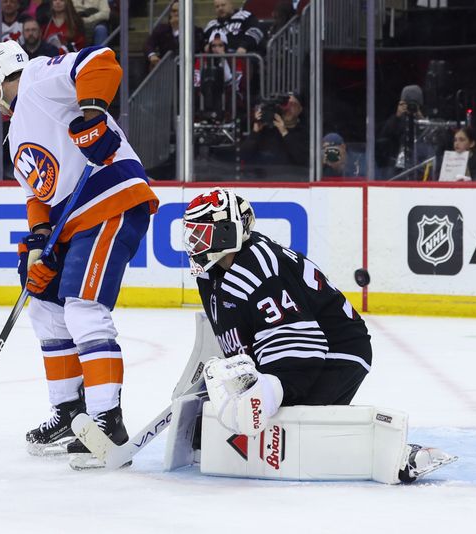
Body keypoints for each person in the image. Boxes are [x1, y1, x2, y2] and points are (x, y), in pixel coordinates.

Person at [181, 188, 453, 483]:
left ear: (226, 233)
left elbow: (301, 344)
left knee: (289, 434)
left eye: (201, 233)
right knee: (227, 425)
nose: (194, 242)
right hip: (298, 351)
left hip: (338, 351)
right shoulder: (213, 271)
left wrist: (271, 391)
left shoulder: (257, 269)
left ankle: (399, 455)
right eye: (192, 233)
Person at [0, 40, 159, 456]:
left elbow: (101, 59)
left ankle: (107, 422)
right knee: (45, 307)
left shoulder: (39, 78)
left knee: (83, 308)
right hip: (71, 224)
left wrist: (92, 116)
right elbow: (37, 196)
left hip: (111, 200)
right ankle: (69, 413)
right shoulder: (16, 133)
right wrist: (38, 247)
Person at [240, 92, 309, 179]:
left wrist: (284, 132)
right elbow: (243, 156)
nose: (288, 108)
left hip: (292, 181)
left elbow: (302, 159)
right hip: (264, 181)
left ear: (300, 109)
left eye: (293, 104)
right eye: (286, 104)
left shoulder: (305, 132)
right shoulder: (267, 130)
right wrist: (255, 132)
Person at [376, 84, 433, 179]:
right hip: (396, 162)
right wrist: (397, 116)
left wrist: (420, 118)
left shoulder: (424, 117)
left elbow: (431, 135)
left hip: (419, 161)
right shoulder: (397, 120)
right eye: (407, 104)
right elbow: (383, 135)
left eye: (414, 105)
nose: (411, 107)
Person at [145, 1, 202, 71]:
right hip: (167, 71)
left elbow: (196, 48)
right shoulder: (161, 29)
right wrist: (152, 55)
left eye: (180, 10)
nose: (176, 13)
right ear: (170, 13)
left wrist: (178, 30)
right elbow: (149, 44)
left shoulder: (195, 30)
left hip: (187, 71)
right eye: (174, 11)